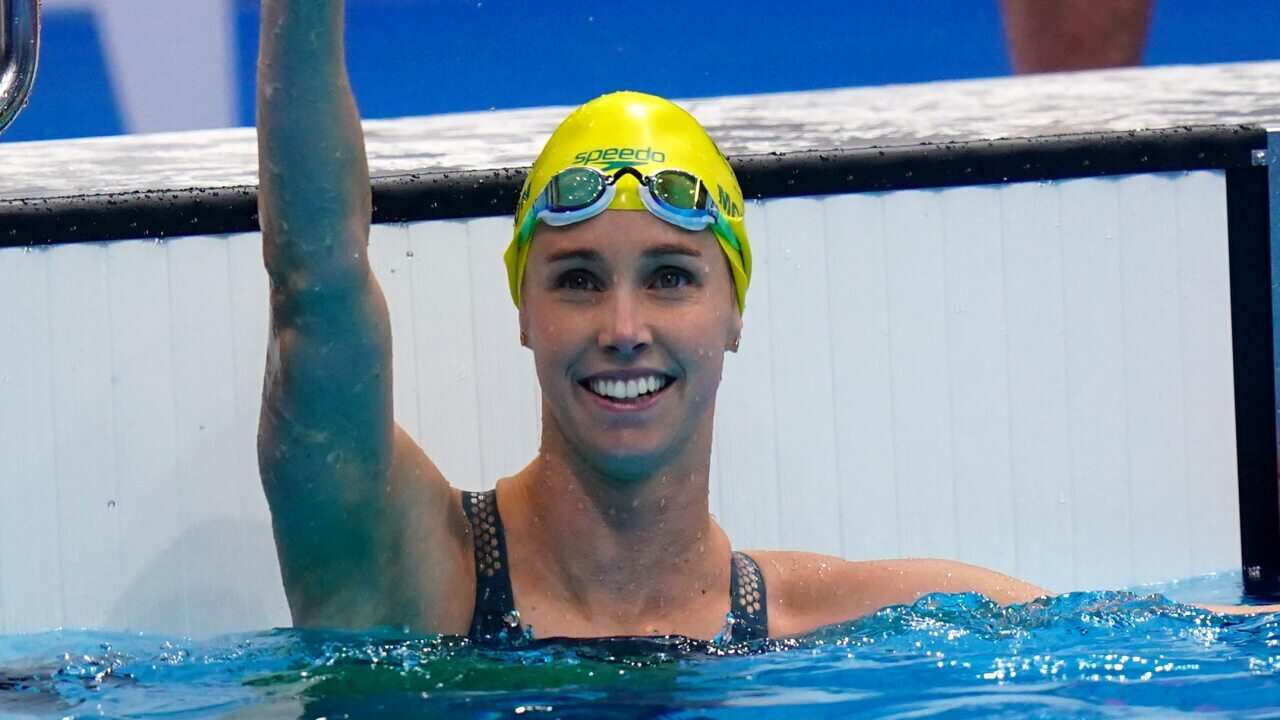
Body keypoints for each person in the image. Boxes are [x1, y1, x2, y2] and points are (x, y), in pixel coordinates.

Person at [255, 0, 1272, 643]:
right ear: (520, 308)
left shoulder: (818, 624)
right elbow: (315, 286)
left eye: (667, 277)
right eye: (574, 280)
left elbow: (1157, 642)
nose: (621, 325)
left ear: (732, 309)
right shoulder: (403, 568)